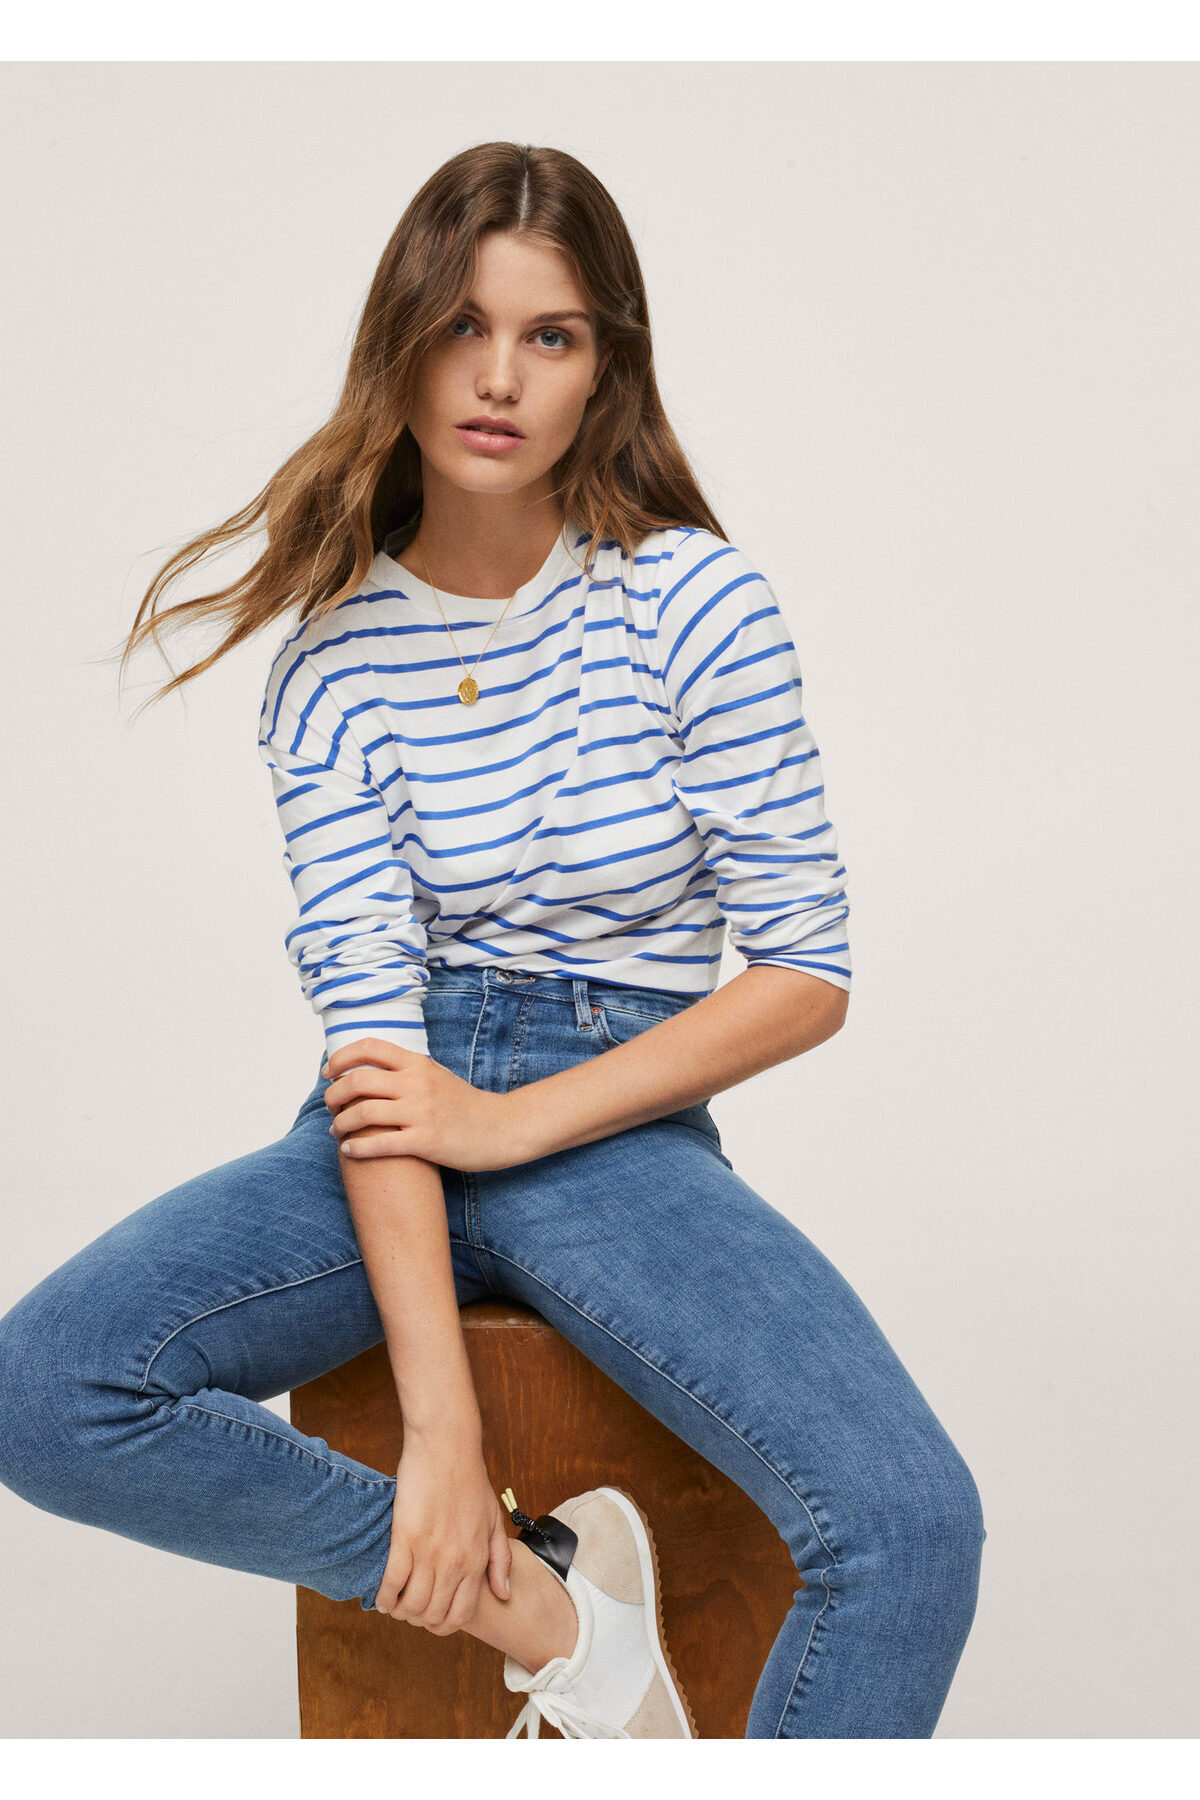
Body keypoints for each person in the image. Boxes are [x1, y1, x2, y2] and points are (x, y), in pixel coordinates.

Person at [0, 141, 985, 1739]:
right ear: (400, 342)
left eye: (552, 335)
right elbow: (374, 1036)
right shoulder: (331, 664)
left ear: (607, 369)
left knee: (912, 1526)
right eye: (462, 326)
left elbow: (806, 972)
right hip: (391, 1113)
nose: (500, 376)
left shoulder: (694, 604)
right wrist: (443, 1446)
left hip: (615, 1119)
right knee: (48, 1389)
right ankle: (552, 1614)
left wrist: (511, 1124)